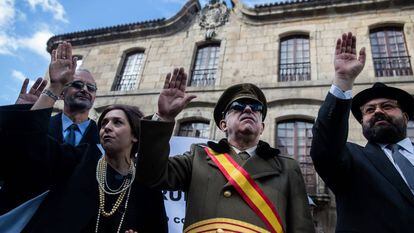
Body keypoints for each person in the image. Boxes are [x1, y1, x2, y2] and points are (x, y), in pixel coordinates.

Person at [0, 42, 168, 232]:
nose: (85, 90)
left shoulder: (108, 155)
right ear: (63, 92)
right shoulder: (48, 131)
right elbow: (19, 150)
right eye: (77, 84)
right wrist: (37, 103)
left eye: (91, 87)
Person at [136, 68, 315, 232]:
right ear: (223, 124)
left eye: (256, 108)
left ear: (261, 127)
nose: (247, 109)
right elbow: (151, 175)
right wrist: (164, 118)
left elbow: (302, 228)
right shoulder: (197, 157)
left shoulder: (287, 168)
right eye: (238, 107)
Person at [310, 32, 414, 232]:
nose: (378, 112)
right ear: (362, 122)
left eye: (387, 106)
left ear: (406, 117)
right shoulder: (351, 159)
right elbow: (325, 144)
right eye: (369, 110)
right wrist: (343, 80)